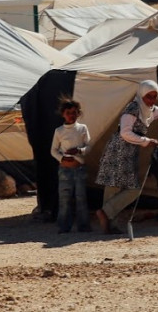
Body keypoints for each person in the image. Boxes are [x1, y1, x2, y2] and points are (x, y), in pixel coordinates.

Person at [95, 80, 158, 234]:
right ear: (141, 95)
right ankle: (108, 220)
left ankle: (106, 215)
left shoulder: (150, 110)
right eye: (149, 96)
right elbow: (125, 132)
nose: (152, 100)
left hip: (130, 151)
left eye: (154, 96)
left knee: (126, 189)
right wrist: (146, 141)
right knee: (115, 188)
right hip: (119, 149)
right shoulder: (133, 108)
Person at [50, 99, 91, 233]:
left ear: (78, 114)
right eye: (68, 113)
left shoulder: (82, 128)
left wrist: (79, 151)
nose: (71, 115)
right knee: (64, 198)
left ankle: (83, 226)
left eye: (74, 112)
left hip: (79, 169)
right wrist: (62, 159)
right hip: (65, 170)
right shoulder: (59, 131)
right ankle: (64, 226)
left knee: (81, 197)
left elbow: (89, 146)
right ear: (63, 114)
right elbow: (53, 150)